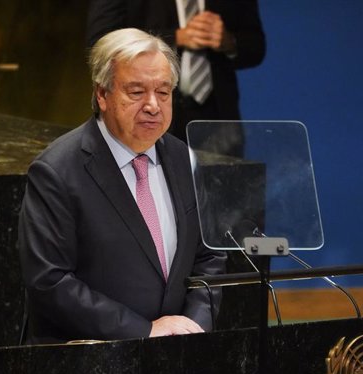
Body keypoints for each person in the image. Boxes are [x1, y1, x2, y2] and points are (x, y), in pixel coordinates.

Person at [18, 28, 226, 344]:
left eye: (164, 92)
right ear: (102, 94)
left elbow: (209, 255)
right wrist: (144, 331)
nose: (153, 105)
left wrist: (193, 325)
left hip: (177, 357)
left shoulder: (184, 159)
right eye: (136, 92)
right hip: (87, 365)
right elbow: (50, 281)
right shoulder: (57, 170)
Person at [86, 0, 266, 143]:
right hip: (144, 112)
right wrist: (176, 37)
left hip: (218, 117)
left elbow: (256, 46)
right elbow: (101, 41)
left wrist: (229, 41)